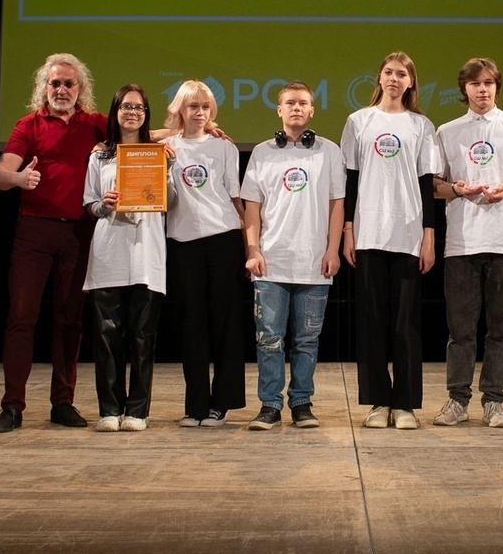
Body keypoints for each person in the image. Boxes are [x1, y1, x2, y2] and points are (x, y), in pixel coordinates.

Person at [0, 53, 105, 432]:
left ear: (80, 89)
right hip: (34, 233)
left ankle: (62, 403)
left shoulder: (95, 124)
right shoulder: (28, 125)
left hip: (78, 234)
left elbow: (141, 131)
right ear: (45, 87)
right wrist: (19, 179)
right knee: (21, 318)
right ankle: (12, 406)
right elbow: (0, 175)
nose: (62, 89)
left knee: (70, 320)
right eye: (55, 83)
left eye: (69, 83)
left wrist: (199, 130)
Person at [431, 58, 503, 429]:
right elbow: (435, 185)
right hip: (462, 243)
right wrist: (457, 189)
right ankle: (457, 400)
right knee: (460, 331)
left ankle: (494, 401)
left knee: (501, 329)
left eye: (489, 83)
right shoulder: (447, 131)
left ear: (497, 86)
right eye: (475, 84)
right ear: (464, 89)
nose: (482, 89)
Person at [342, 51, 439, 430]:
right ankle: (378, 402)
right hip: (368, 232)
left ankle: (405, 405)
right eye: (388, 72)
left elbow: (427, 186)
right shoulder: (359, 121)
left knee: (405, 324)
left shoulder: (421, 125)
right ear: (379, 78)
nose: (394, 79)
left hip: (409, 234)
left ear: (411, 82)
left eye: (402, 74)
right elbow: (350, 181)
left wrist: (429, 237)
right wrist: (348, 230)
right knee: (372, 322)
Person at [241, 82, 346, 430]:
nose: (297, 108)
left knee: (307, 341)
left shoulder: (329, 152)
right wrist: (253, 250)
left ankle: (301, 403)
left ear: (312, 110)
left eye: (303, 103)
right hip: (271, 262)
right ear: (280, 110)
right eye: (290, 103)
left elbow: (337, 204)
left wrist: (332, 249)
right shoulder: (262, 152)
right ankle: (269, 405)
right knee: (269, 340)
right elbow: (251, 207)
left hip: (314, 263)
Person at [83, 84, 174, 432]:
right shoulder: (99, 156)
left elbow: (171, 202)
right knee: (107, 336)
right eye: (126, 106)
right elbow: (89, 204)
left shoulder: (158, 154)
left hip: (147, 252)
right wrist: (103, 204)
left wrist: (168, 170)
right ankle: (109, 409)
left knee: (142, 336)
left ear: (146, 115)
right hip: (110, 250)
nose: (132, 113)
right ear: (116, 111)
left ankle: (137, 411)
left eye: (139, 108)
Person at [163, 80, 248, 427]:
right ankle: (195, 405)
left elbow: (235, 198)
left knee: (225, 323)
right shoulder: (166, 147)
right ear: (180, 110)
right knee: (191, 325)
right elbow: (135, 137)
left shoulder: (223, 147)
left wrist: (250, 247)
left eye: (205, 107)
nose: (200, 113)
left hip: (223, 238)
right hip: (182, 242)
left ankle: (222, 403)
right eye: (193, 106)